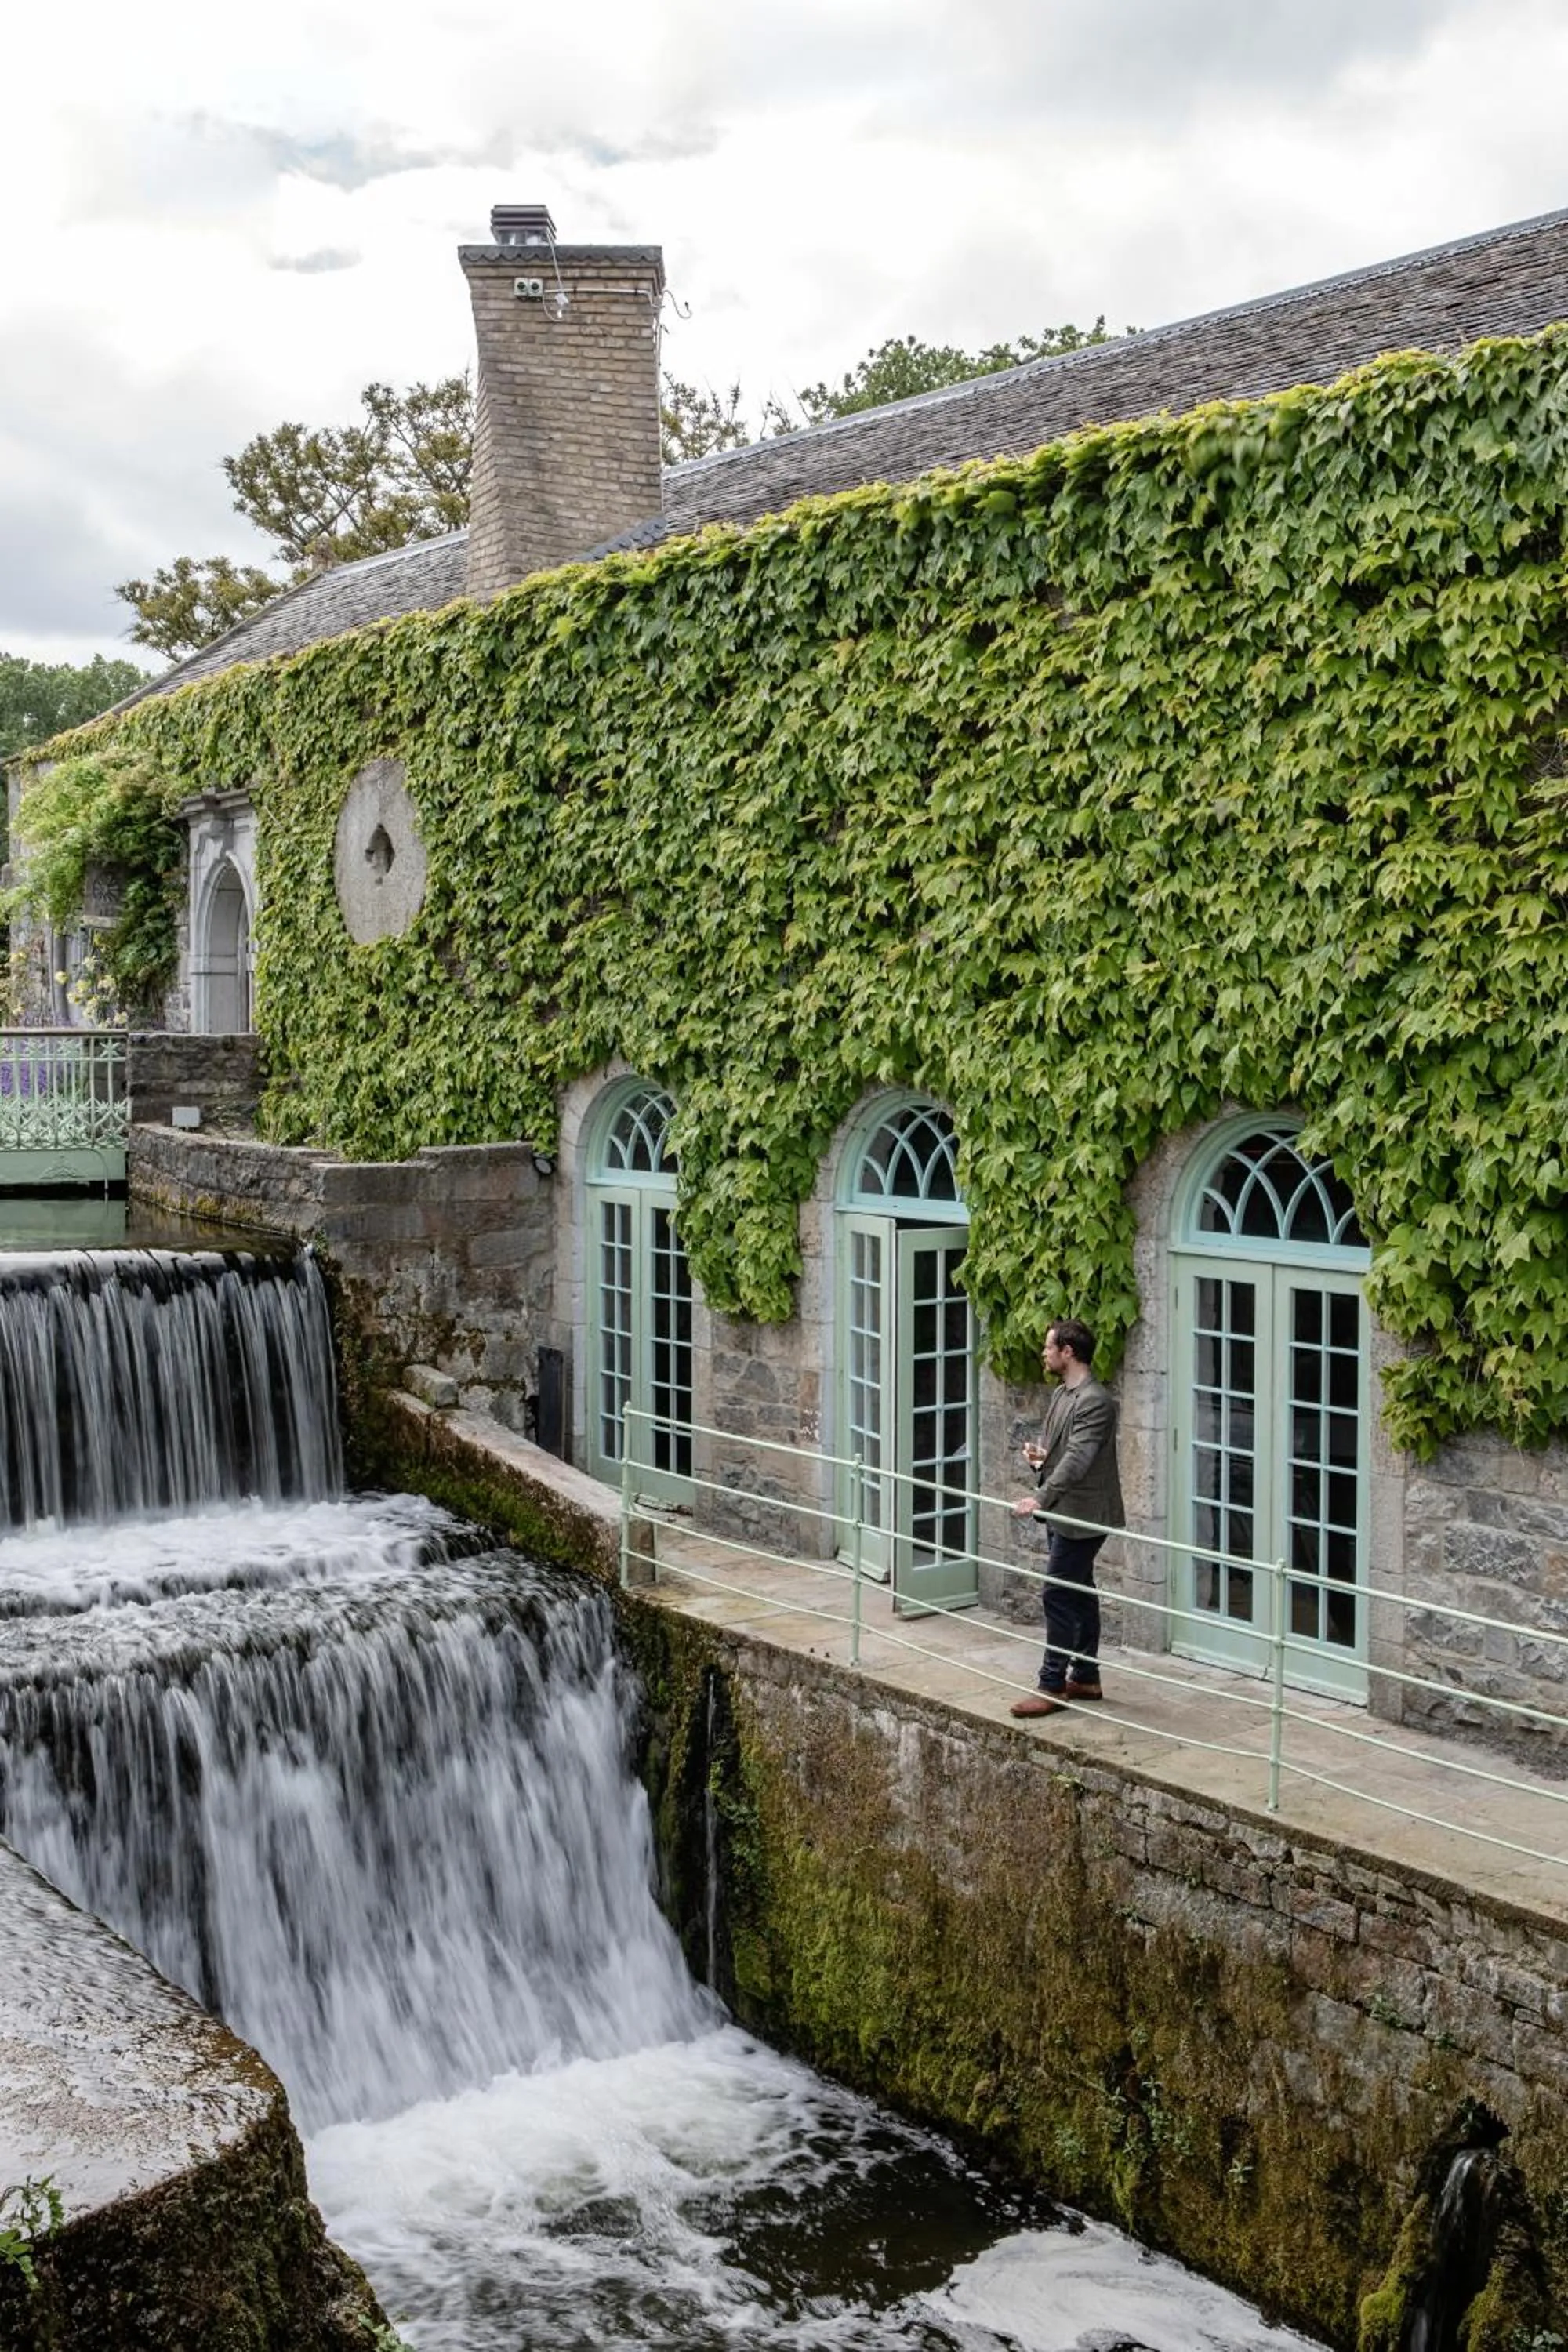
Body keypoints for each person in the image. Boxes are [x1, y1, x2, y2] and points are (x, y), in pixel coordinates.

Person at [1009, 1317, 1123, 1718]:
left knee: (1056, 1592)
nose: (1044, 1353)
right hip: (1064, 1511)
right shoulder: (1062, 1394)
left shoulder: (1096, 1401)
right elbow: (1061, 1452)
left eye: (1049, 1347)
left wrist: (1040, 1497)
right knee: (1079, 1590)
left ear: (1068, 1352)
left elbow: (1079, 1460)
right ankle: (1087, 1677)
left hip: (1086, 1515)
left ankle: (1052, 1683)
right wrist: (1039, 1461)